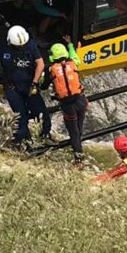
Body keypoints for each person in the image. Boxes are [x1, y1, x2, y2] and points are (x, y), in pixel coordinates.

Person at [0, 25, 52, 146]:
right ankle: (22, 141)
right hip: (12, 87)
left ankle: (45, 135)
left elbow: (40, 64)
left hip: (29, 84)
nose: (21, 47)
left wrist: (34, 83)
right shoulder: (3, 47)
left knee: (40, 111)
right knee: (20, 116)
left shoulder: (30, 45)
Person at [43, 36, 88, 168]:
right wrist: (70, 45)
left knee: (73, 131)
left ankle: (79, 158)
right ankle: (79, 145)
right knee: (79, 127)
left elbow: (43, 85)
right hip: (81, 101)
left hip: (68, 105)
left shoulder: (51, 70)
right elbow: (74, 55)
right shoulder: (73, 62)